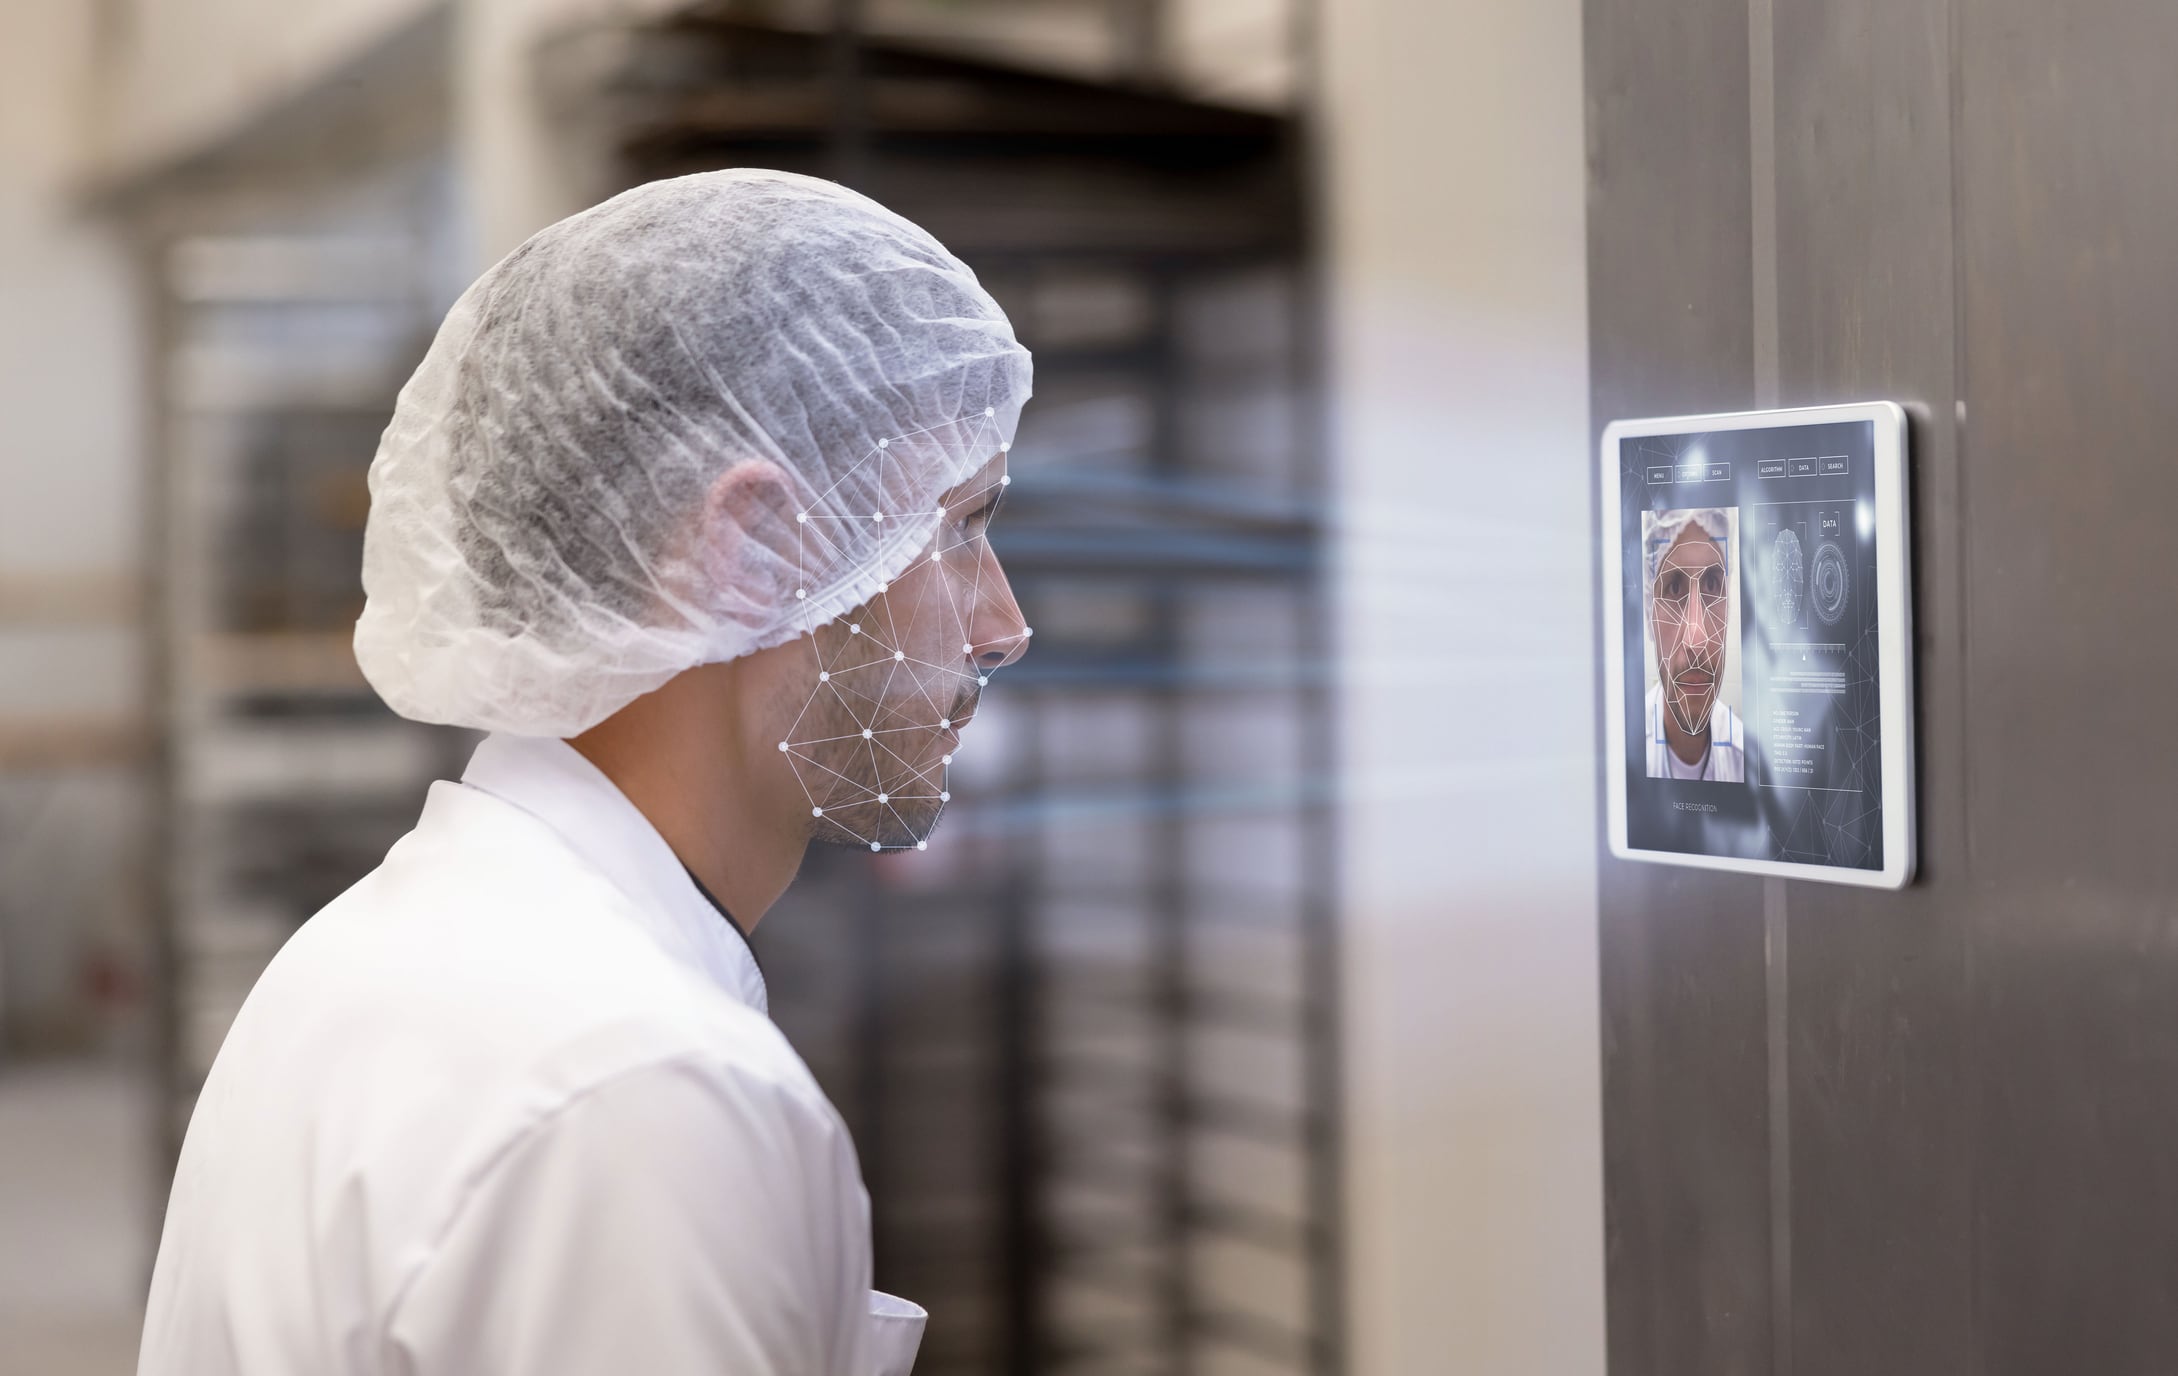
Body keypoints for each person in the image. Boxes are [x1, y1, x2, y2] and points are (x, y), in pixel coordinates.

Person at [138, 170, 1033, 1376]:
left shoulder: (394, 956)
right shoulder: (640, 1084)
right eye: (963, 528)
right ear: (751, 545)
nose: (1003, 621)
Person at [1644, 508, 1744, 782]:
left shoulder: (1747, 760)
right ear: (1649, 612)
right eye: (1674, 589)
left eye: (1712, 584)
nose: (1696, 641)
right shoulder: (1622, 757)